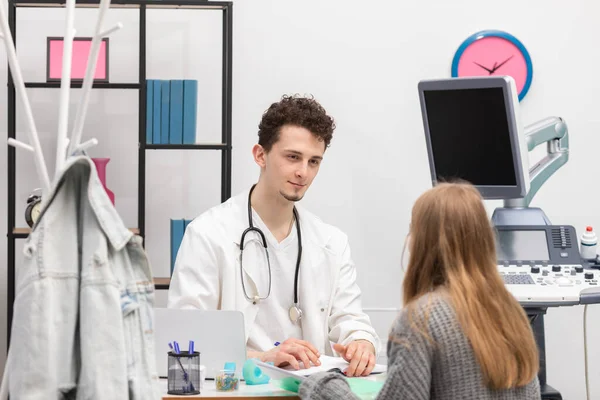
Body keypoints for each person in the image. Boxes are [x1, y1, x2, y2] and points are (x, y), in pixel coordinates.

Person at [168, 94, 380, 377]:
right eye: (293, 157)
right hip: (240, 390)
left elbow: (351, 320)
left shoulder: (332, 242)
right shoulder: (208, 234)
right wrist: (264, 358)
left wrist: (362, 343)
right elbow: (185, 338)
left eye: (314, 161)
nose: (303, 172)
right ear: (260, 155)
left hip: (311, 391)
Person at [299, 182, 541, 399]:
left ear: (424, 241)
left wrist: (324, 386)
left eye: (412, 230)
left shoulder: (422, 319)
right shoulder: (512, 313)